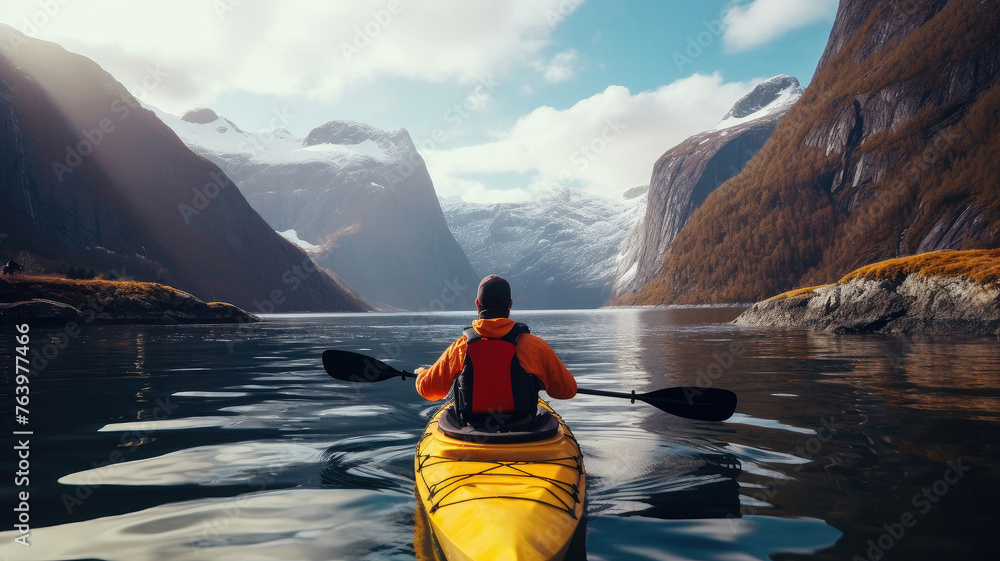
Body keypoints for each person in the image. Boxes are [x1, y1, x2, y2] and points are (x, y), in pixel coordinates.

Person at [415, 275, 577, 430]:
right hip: (523, 427)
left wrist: (423, 374)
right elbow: (567, 390)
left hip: (473, 429)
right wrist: (541, 379)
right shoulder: (535, 345)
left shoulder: (460, 347)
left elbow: (428, 390)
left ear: (478, 304)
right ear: (510, 304)